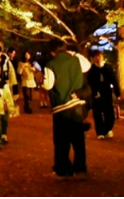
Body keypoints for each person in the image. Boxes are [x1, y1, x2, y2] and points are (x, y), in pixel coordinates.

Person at [44, 39, 91, 180]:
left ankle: (63, 170)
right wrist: (74, 53)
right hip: (77, 104)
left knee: (61, 140)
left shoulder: (51, 64)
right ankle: (80, 169)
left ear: (52, 51)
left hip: (61, 106)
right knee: (78, 140)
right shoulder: (76, 60)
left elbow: (48, 84)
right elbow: (87, 66)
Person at [87, 49, 118, 140]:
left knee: (109, 113)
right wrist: (94, 92)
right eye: (96, 56)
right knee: (98, 114)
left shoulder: (108, 67)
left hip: (107, 92)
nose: (98, 58)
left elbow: (114, 80)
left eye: (100, 56)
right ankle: (100, 132)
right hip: (96, 93)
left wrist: (117, 92)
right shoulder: (92, 70)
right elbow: (90, 82)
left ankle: (107, 129)